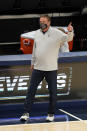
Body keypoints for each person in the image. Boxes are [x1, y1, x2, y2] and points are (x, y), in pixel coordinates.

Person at [20, 15, 74, 122]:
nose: (41, 23)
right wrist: (32, 62)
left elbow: (68, 38)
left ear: (49, 22)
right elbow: (35, 49)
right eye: (40, 21)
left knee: (53, 92)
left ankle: (51, 114)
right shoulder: (37, 33)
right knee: (31, 91)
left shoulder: (56, 33)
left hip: (51, 68)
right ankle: (26, 113)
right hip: (38, 68)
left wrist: (70, 31)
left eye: (43, 21)